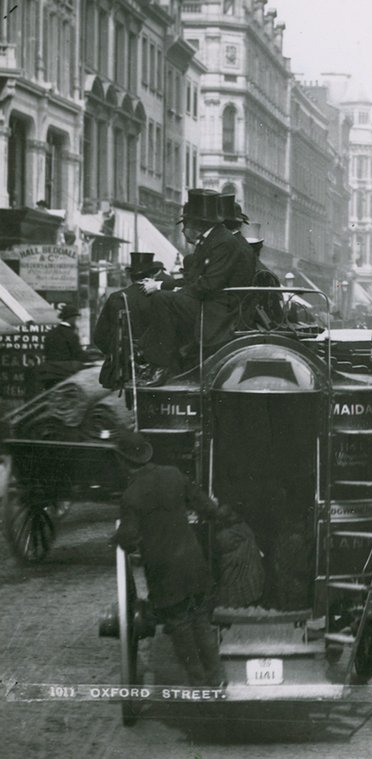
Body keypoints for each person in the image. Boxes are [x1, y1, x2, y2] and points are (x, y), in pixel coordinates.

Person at [111, 429, 225, 688]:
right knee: (200, 619)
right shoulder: (173, 475)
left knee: (180, 626)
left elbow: (128, 540)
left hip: (166, 574)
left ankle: (197, 682)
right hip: (193, 564)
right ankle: (217, 677)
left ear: (123, 461)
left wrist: (118, 537)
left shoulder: (131, 496)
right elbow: (208, 508)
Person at [138, 189, 256, 385]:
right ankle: (156, 356)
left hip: (219, 309)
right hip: (214, 303)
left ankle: (161, 365)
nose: (184, 229)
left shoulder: (222, 242)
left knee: (162, 300)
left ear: (196, 224)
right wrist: (164, 285)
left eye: (186, 223)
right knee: (165, 298)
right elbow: (195, 279)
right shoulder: (214, 240)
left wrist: (171, 290)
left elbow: (209, 284)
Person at [93, 253, 172, 389]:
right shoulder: (163, 298)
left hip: (125, 369)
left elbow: (99, 337)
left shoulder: (116, 298)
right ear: (153, 276)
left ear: (131, 276)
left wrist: (119, 354)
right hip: (157, 370)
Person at [39, 303, 91, 385]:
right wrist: (91, 358)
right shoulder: (71, 334)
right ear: (72, 318)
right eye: (76, 318)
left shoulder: (50, 333)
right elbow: (78, 355)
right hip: (65, 375)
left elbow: (46, 352)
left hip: (48, 373)